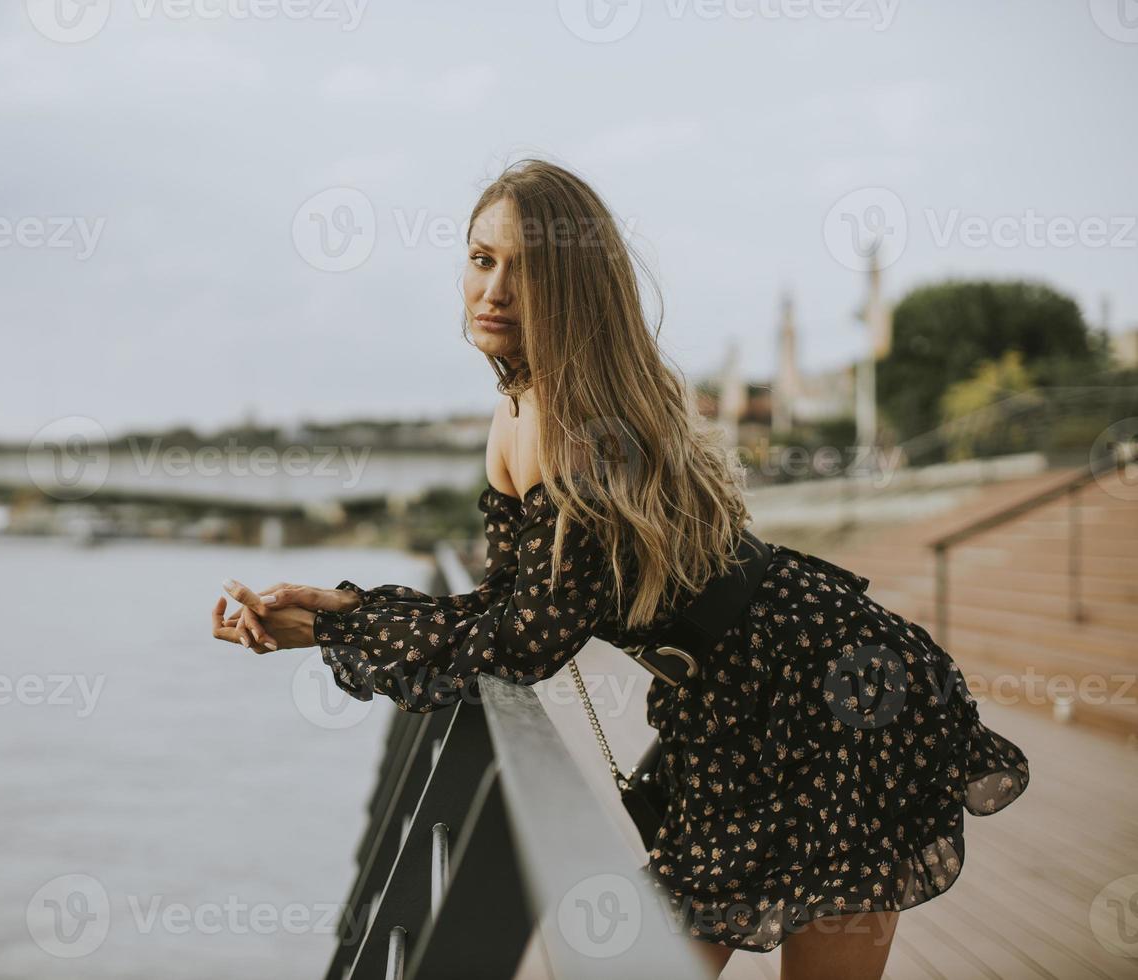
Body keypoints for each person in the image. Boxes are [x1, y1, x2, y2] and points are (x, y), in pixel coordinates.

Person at [209, 158, 1030, 978]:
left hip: (832, 682)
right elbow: (507, 602)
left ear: (575, 289)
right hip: (739, 700)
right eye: (481, 258)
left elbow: (525, 645)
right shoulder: (518, 409)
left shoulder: (577, 424)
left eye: (527, 271)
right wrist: (335, 615)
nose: (493, 290)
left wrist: (333, 626)